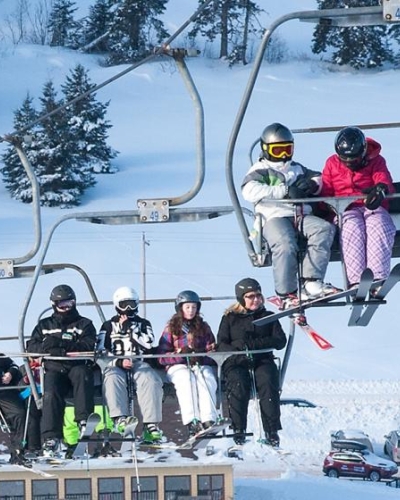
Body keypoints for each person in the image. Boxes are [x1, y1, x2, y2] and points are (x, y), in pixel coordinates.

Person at [241, 122, 339, 309]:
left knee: (323, 229)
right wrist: (284, 191)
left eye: (287, 149)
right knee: (285, 243)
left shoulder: (297, 168)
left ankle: (311, 282)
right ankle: (286, 292)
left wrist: (311, 185)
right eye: (278, 150)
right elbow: (249, 191)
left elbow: (320, 177)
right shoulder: (260, 169)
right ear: (266, 149)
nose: (283, 155)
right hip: (273, 217)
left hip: (300, 216)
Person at [321, 126, 396, 290]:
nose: (349, 164)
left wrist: (380, 190)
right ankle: (356, 280)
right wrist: (326, 207)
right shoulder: (332, 164)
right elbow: (325, 191)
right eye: (344, 160)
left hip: (370, 205)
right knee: (352, 227)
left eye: (353, 160)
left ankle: (378, 278)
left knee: (378, 224)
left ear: (362, 153)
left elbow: (383, 179)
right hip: (345, 208)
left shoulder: (376, 160)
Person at [26, 284, 96, 457]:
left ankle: (83, 420)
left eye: (69, 304)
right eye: (62, 305)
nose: (66, 308)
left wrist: (60, 346)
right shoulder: (44, 325)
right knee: (51, 389)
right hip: (54, 368)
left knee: (82, 375)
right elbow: (32, 346)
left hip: (76, 366)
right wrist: (47, 347)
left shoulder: (84, 324)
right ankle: (52, 436)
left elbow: (87, 345)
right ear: (54, 305)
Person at [216, 278, 287, 448]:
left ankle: (271, 430)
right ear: (241, 298)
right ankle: (239, 428)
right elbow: (221, 343)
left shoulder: (268, 317)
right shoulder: (230, 318)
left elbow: (279, 341)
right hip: (237, 362)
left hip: (262, 360)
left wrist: (253, 345)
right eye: (250, 296)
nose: (255, 300)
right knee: (238, 383)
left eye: (258, 295)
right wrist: (238, 348)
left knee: (268, 381)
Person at [98, 286, 163, 443]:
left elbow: (149, 343)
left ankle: (150, 424)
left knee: (150, 379)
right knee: (112, 379)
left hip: (138, 362)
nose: (128, 309)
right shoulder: (107, 326)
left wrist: (131, 330)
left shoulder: (143, 323)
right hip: (115, 364)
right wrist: (118, 361)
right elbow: (100, 351)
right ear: (117, 305)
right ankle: (120, 419)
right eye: (124, 304)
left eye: (132, 304)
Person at [157, 290, 218, 437]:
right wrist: (180, 355)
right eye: (187, 307)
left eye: (194, 307)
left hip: (199, 364)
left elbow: (212, 350)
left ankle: (208, 419)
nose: (191, 311)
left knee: (207, 378)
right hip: (178, 366)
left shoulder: (203, 327)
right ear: (180, 308)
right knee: (186, 380)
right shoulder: (171, 328)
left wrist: (201, 354)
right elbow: (161, 356)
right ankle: (192, 421)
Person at [0, 354, 28, 465]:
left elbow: (13, 366)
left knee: (19, 413)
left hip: (4, 392)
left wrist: (10, 374)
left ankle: (18, 451)